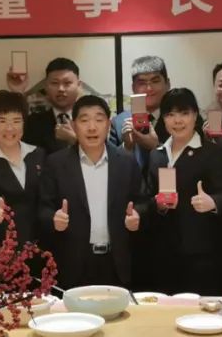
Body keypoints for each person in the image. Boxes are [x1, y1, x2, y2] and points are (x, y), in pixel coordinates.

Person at [39, 95, 148, 288]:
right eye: (84, 120)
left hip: (116, 263)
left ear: (108, 125)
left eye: (99, 120)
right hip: (73, 264)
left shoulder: (126, 162)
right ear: (73, 125)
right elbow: (43, 208)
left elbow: (143, 201)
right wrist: (53, 219)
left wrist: (137, 215)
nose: (92, 127)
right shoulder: (56, 163)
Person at [145, 89, 222, 295]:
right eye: (170, 114)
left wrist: (212, 202)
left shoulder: (211, 152)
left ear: (195, 115)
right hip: (163, 252)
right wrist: (157, 204)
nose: (177, 121)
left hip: (201, 253)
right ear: (163, 119)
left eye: (184, 113)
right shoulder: (157, 155)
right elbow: (147, 197)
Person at [0, 90, 47, 247]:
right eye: (2, 121)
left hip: (39, 245)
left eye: (16, 121)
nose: (9, 128)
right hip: (1, 246)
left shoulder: (38, 154)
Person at [110, 55, 171, 169]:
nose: (149, 88)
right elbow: (110, 168)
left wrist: (157, 147)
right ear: (133, 87)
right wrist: (127, 147)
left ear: (167, 84)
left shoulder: (180, 121)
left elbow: (188, 166)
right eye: (142, 83)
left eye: (155, 81)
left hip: (168, 180)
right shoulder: (119, 123)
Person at [23, 58, 81, 153]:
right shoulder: (32, 124)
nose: (61, 89)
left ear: (78, 85)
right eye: (55, 83)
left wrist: (75, 141)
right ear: (46, 86)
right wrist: (18, 91)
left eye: (67, 83)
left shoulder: (91, 120)